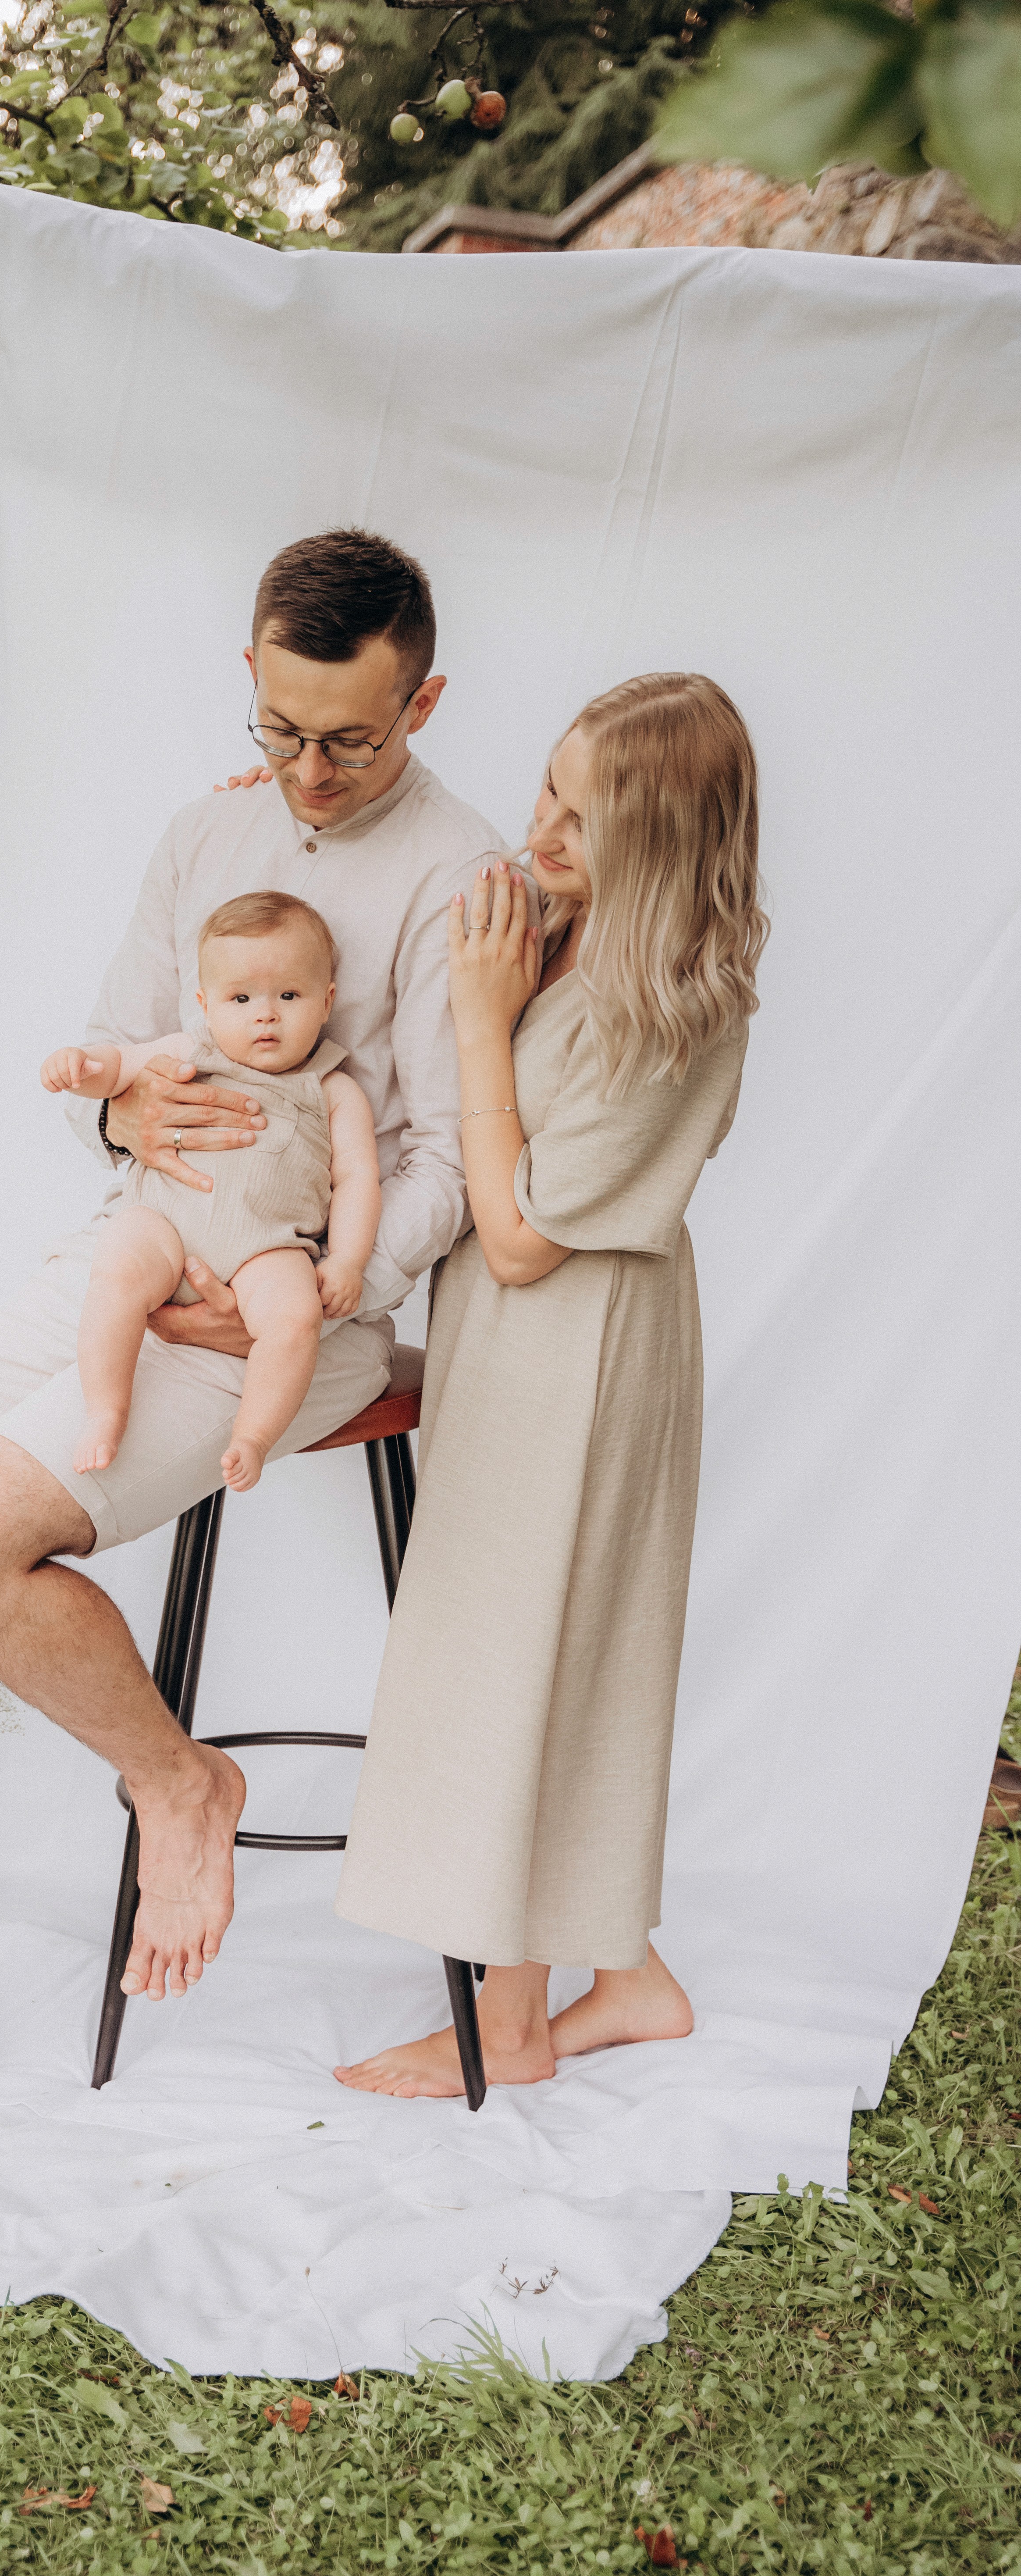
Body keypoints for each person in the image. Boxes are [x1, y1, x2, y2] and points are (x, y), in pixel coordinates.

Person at [0, 528, 506, 2090]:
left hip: (299, 1311)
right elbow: (109, 1051)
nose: (311, 771)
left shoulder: (460, 877)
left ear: (425, 703)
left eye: (351, 739)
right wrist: (122, 1115)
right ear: (250, 683)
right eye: (279, 732)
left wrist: (326, 1283)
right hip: (133, 1247)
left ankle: (176, 1785)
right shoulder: (202, 834)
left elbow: (443, 1160)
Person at [332, 672, 768, 2099]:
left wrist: (478, 1021)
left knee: (535, 1659)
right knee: (531, 1649)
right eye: (547, 792)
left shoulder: (672, 1006)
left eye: (584, 818)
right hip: (516, 1351)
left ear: (662, 843)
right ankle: (625, 1974)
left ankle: (512, 2029)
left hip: (581, 1351)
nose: (544, 830)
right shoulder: (557, 931)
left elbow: (517, 1239)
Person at [39, 892, 381, 1492]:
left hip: (266, 1248)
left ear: (327, 1001)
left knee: (297, 1318)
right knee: (116, 1271)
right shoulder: (186, 1050)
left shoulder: (333, 1090)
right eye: (241, 999)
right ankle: (107, 1408)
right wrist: (82, 1064)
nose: (265, 1015)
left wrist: (349, 1259)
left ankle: (253, 1434)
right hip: (165, 1224)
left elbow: (357, 1180)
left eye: (289, 996)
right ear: (205, 1004)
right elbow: (119, 1066)